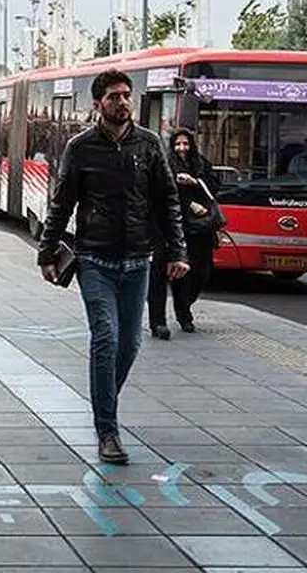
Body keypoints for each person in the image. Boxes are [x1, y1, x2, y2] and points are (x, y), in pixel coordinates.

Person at [38, 69, 187, 464]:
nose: (123, 102)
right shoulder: (81, 147)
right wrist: (46, 251)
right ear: (98, 103)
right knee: (105, 336)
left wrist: (178, 251)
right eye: (115, 97)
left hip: (139, 261)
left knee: (130, 344)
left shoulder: (150, 145)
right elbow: (61, 203)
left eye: (127, 95)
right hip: (94, 260)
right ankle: (108, 430)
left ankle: (103, 401)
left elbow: (167, 201)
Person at [148, 128, 221, 338]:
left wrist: (195, 182)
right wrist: (188, 204)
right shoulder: (165, 165)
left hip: (198, 230)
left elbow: (215, 186)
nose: (182, 149)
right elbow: (160, 194)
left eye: (186, 144)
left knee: (195, 272)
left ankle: (184, 313)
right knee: (159, 275)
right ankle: (158, 322)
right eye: (178, 144)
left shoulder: (200, 164)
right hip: (167, 229)